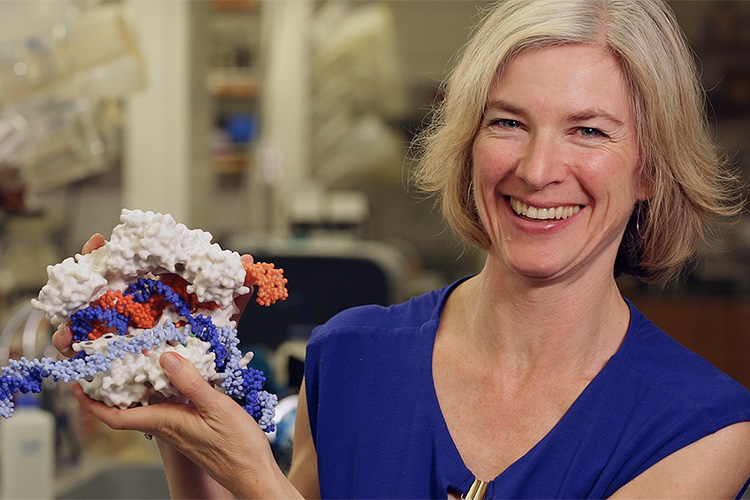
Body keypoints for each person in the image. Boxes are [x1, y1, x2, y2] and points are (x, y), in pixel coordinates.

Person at [54, 0, 750, 498]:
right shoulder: (351, 358)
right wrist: (184, 408)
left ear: (652, 170)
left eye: (590, 131)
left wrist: (252, 477)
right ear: (468, 143)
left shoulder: (700, 430)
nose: (539, 170)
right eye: (508, 122)